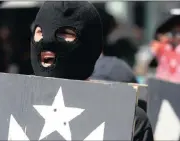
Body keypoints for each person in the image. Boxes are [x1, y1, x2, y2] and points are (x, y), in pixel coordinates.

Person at [30, 1, 154, 141]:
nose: (47, 40)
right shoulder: (10, 107)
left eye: (64, 32)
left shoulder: (128, 120)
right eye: (40, 31)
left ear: (92, 47)